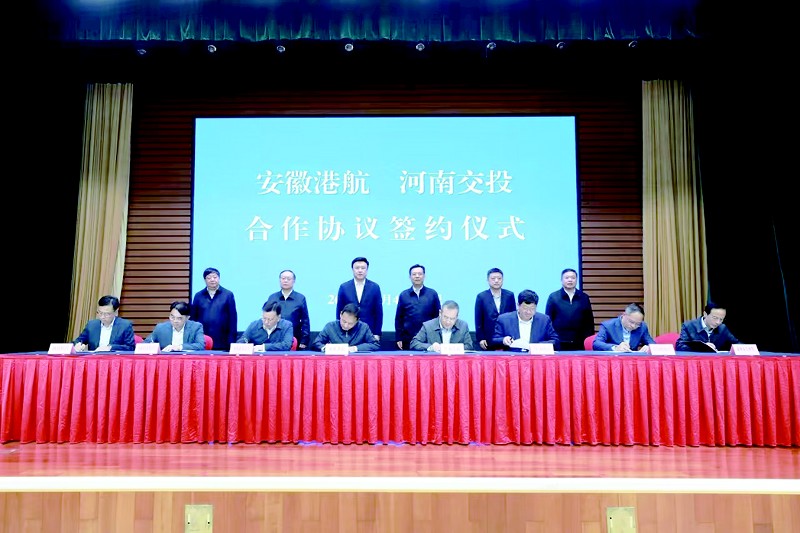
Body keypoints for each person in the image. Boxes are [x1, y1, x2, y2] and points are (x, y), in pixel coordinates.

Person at [545, 268, 595, 351]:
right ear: (561, 280)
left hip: (580, 342)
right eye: (567, 278)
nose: (570, 280)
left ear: (576, 280)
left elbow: (589, 322)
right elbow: (548, 320)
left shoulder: (584, 297)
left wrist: (588, 341)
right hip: (559, 342)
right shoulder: (553, 297)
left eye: (573, 278)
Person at [492, 290, 560, 350]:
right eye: (525, 308)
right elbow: (493, 340)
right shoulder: (504, 320)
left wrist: (536, 346)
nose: (528, 312)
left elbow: (555, 341)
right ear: (518, 305)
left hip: (536, 358)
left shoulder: (544, 320)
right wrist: (503, 340)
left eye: (532, 308)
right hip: (512, 358)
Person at [394, 264, 441, 350]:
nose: (417, 276)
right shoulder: (404, 295)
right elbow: (399, 319)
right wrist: (399, 337)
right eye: (414, 274)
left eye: (420, 274)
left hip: (429, 338)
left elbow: (438, 317)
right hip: (408, 338)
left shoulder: (432, 294)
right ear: (410, 277)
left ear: (424, 276)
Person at [336, 256, 383, 342]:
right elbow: (339, 311)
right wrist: (339, 332)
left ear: (367, 270)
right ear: (352, 269)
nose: (360, 270)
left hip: (369, 331)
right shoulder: (344, 287)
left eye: (363, 268)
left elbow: (378, 312)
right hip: (349, 331)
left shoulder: (374, 287)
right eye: (357, 268)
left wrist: (377, 333)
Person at [191, 267, 238, 351]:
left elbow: (233, 319)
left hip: (222, 340)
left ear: (219, 278)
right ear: (204, 280)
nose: (212, 280)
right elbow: (193, 318)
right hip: (203, 339)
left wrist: (231, 341)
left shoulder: (228, 295)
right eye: (209, 278)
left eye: (215, 277)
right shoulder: (198, 296)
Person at [266, 269, 310, 349]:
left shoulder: (300, 298)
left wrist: (304, 340)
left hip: (295, 338)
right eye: (283, 278)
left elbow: (305, 321)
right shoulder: (272, 297)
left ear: (294, 281)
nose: (285, 281)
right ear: (279, 280)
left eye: (288, 279)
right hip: (274, 338)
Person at [474, 267, 516, 350]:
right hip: (488, 338)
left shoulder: (509, 295)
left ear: (503, 280)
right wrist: (481, 338)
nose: (496, 281)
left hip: (506, 337)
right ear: (488, 280)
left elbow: (514, 316)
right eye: (493, 278)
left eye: (499, 278)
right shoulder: (481, 297)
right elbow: (478, 319)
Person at [312, 303, 380, 353]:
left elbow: (375, 345)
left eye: (350, 323)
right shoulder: (330, 326)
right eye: (344, 321)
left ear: (357, 320)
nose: (346, 325)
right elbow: (316, 343)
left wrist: (355, 348)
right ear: (340, 315)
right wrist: (325, 348)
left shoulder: (363, 327)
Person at [676, 301, 741, 352]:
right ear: (705, 314)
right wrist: (702, 347)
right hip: (695, 362)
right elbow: (679, 347)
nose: (718, 322)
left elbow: (737, 344)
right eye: (715, 318)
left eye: (721, 319)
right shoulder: (689, 326)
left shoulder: (722, 328)